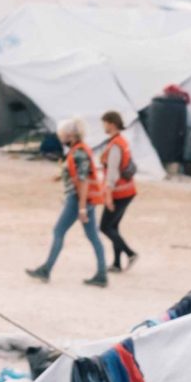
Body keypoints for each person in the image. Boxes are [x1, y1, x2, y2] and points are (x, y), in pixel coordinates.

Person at [26, 118, 109, 286]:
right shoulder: (79, 150)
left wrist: (82, 208)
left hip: (78, 199)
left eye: (63, 134)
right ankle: (102, 274)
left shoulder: (78, 152)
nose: (61, 137)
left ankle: (46, 269)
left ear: (70, 135)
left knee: (59, 231)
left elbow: (83, 180)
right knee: (92, 236)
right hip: (86, 199)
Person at [95, 110, 140, 271]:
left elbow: (112, 173)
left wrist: (108, 196)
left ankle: (130, 253)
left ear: (111, 123)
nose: (103, 126)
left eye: (105, 123)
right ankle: (116, 263)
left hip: (118, 193)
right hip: (128, 191)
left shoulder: (115, 146)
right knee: (114, 227)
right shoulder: (122, 141)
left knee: (105, 227)